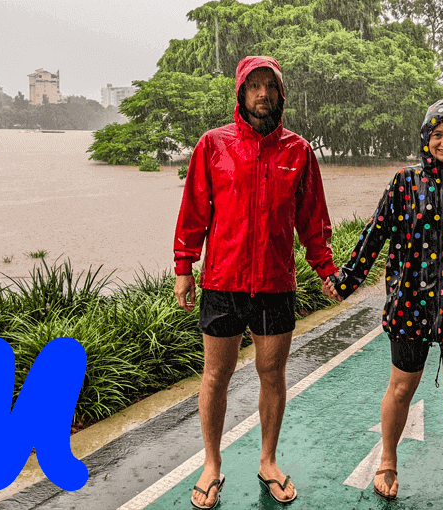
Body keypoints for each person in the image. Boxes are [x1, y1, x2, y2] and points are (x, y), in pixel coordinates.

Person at [322, 99, 443, 505]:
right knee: (402, 387)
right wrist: (347, 279)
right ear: (425, 139)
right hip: (411, 302)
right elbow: (375, 233)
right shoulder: (405, 182)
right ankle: (387, 460)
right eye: (437, 135)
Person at [174, 55, 338, 509]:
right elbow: (193, 212)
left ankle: (268, 461)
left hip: (275, 283)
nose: (263, 94)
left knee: (272, 375)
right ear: (241, 93)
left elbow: (313, 221)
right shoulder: (213, 146)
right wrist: (184, 266)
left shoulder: (299, 152)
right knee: (216, 375)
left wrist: (326, 268)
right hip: (222, 282)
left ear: (280, 94)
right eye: (254, 86)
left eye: (270, 86)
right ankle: (211, 464)